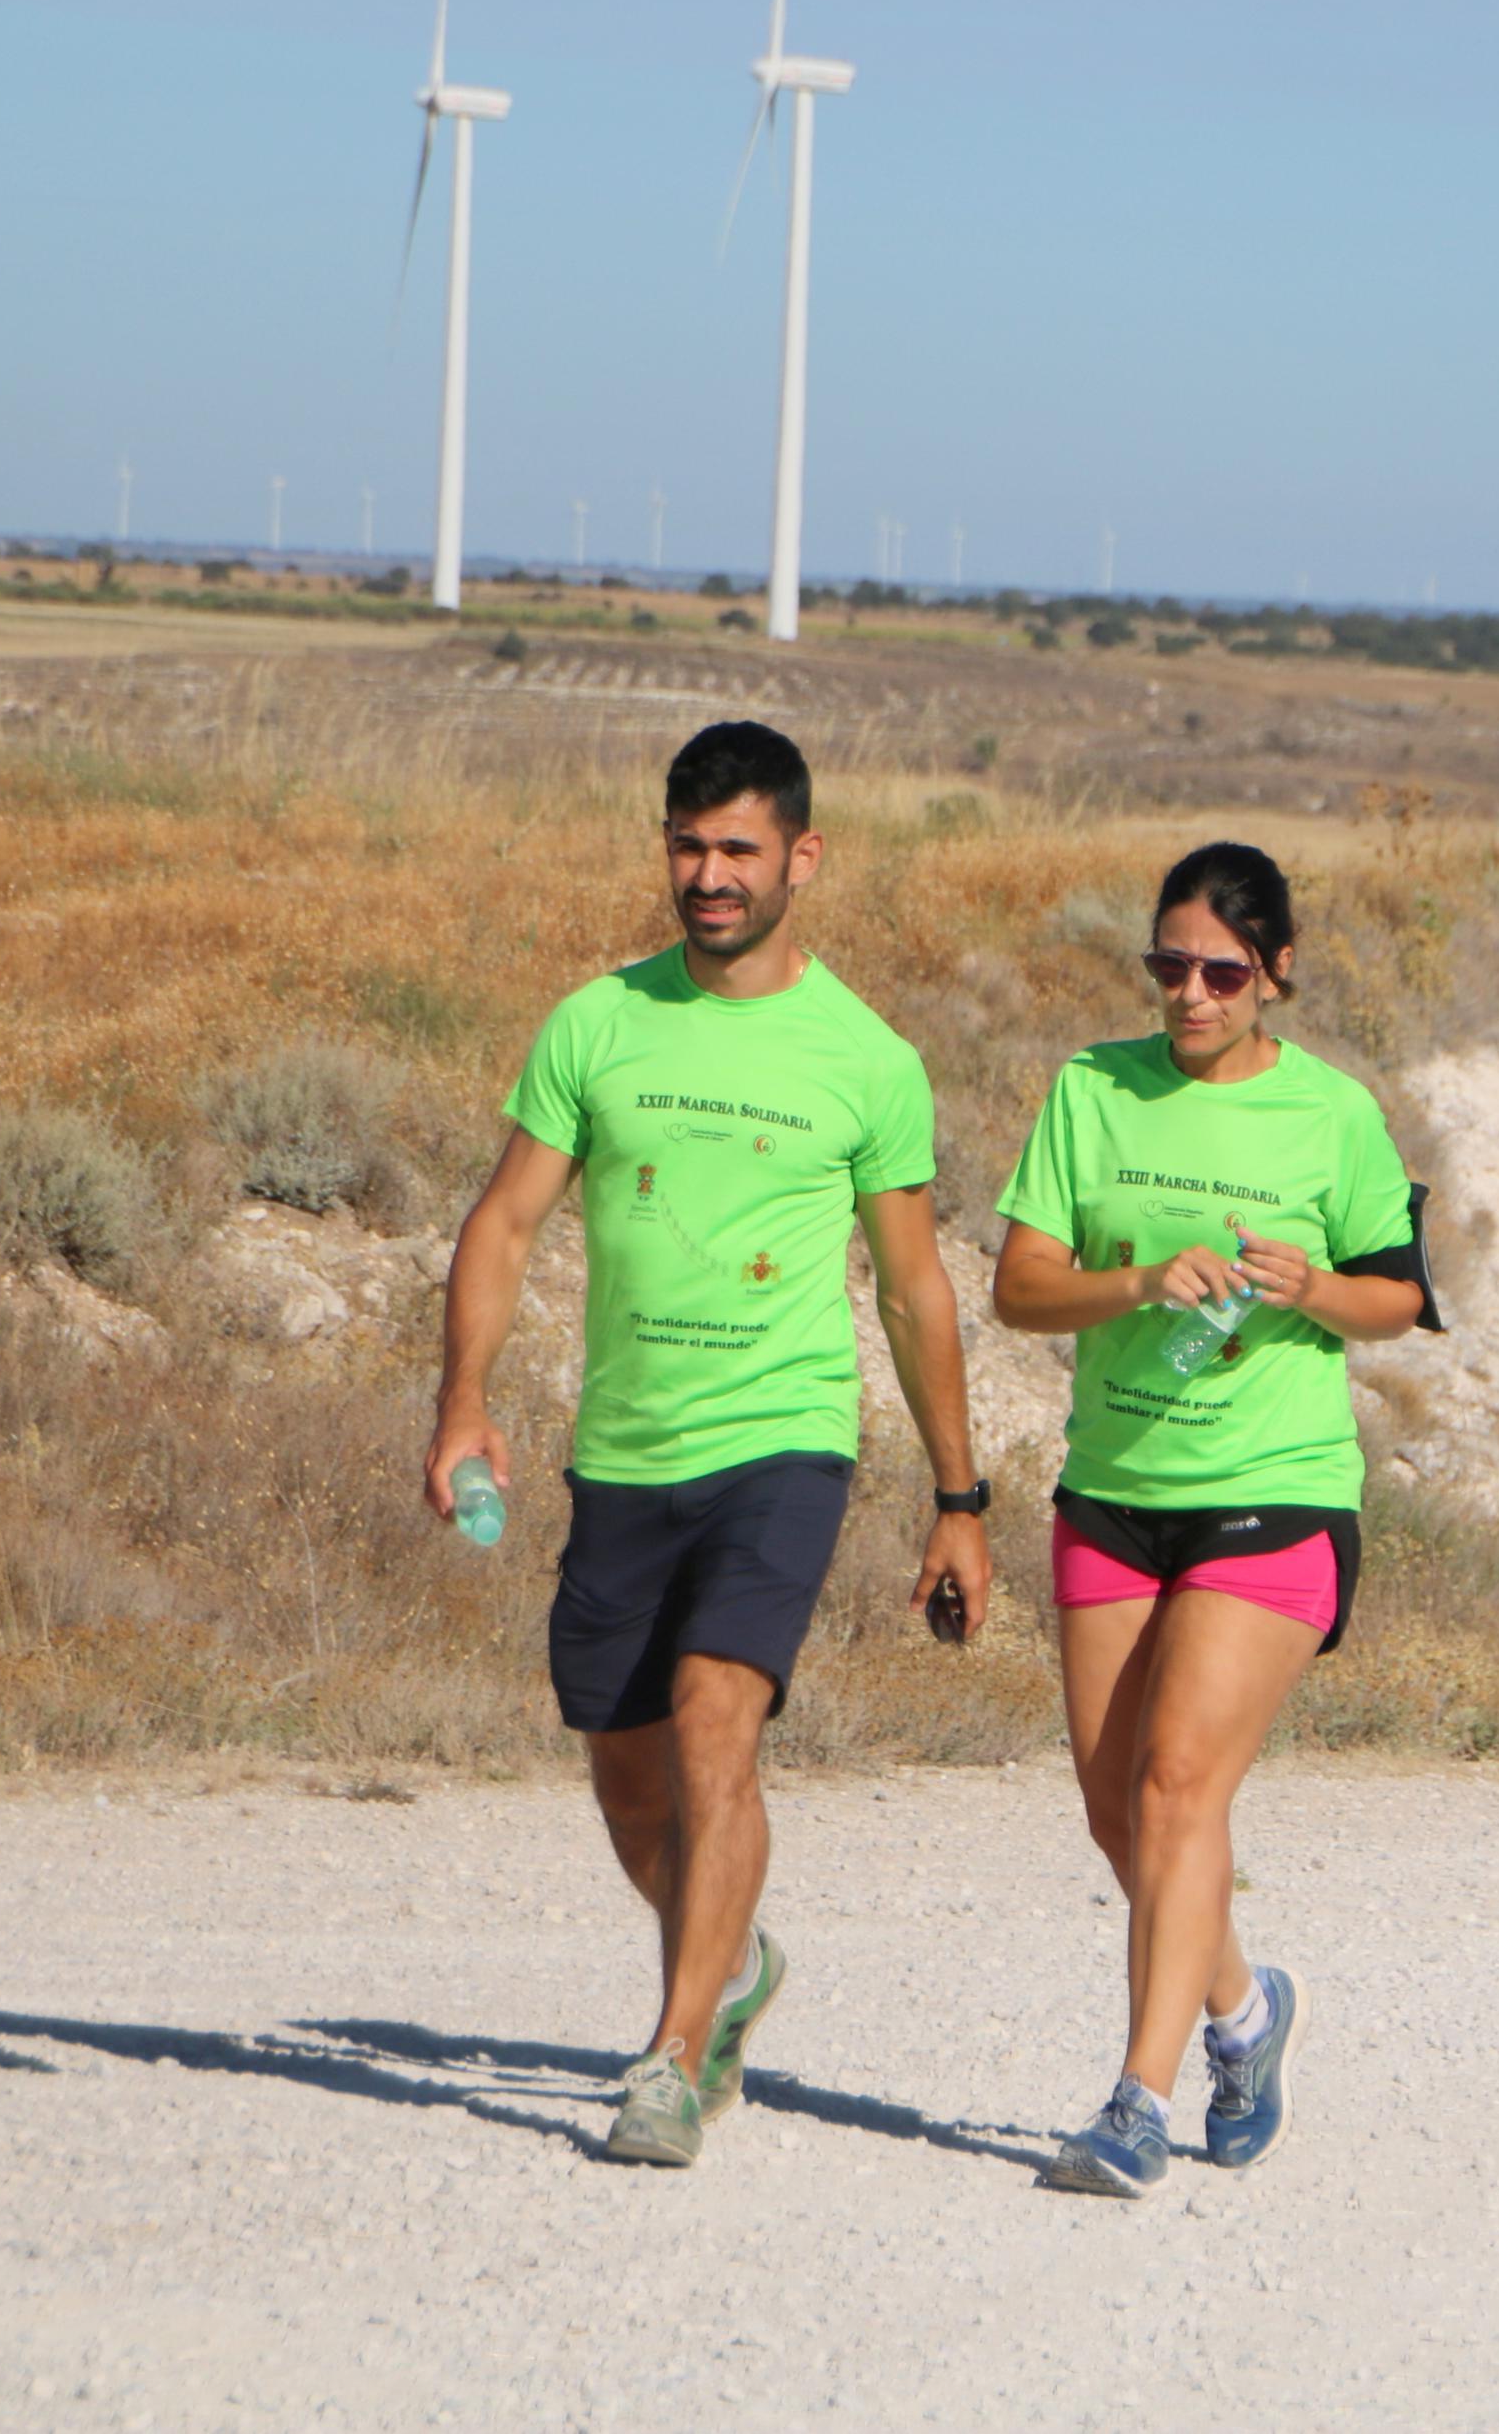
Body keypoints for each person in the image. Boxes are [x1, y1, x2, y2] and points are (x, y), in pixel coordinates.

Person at [428, 720, 997, 2170]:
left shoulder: (865, 1056)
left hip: (783, 1440)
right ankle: (730, 1961)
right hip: (625, 1447)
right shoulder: (595, 1021)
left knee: (711, 1720)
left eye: (739, 846)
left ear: (802, 857)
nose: (709, 873)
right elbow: (503, 1222)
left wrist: (956, 1496)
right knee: (626, 1779)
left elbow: (917, 1283)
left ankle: (675, 2056)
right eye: (687, 844)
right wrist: (462, 1401)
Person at [988, 841, 1437, 2196]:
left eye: (1221, 971)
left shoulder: (1333, 1114)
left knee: (1180, 1780)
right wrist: (1130, 1281)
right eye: (1168, 964)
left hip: (1274, 1492)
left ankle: (1136, 2098)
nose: (1190, 993)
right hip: (1112, 1492)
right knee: (1116, 1807)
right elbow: (1018, 1285)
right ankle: (1245, 2014)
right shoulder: (1089, 1086)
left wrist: (1308, 1287)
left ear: (1276, 973)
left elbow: (1399, 1296)